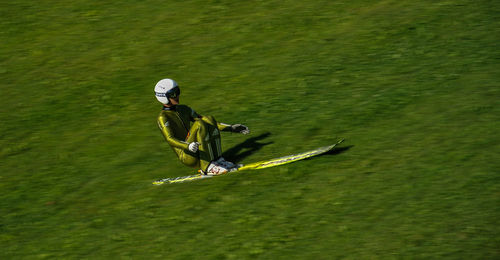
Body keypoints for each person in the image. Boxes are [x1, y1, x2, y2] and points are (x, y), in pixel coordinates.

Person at [155, 78, 250, 175]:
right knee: (199, 124)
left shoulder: (184, 109)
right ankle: (207, 168)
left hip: (195, 147)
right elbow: (170, 139)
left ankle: (218, 160)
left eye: (178, 92)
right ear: (163, 97)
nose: (177, 96)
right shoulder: (163, 117)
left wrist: (231, 127)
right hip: (186, 154)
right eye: (173, 94)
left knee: (209, 119)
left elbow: (206, 121)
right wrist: (188, 146)